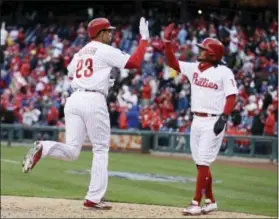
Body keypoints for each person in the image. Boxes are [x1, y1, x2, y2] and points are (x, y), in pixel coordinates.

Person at [22, 17, 150, 210]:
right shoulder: (105, 49)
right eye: (108, 31)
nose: (111, 34)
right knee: (100, 149)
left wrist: (100, 80)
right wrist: (144, 40)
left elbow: (71, 73)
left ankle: (44, 147)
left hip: (74, 99)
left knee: (73, 151)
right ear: (100, 33)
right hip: (93, 99)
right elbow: (134, 62)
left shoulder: (80, 51)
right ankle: (94, 198)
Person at [163, 23, 238, 215]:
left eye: (204, 50)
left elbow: (232, 96)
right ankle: (211, 201)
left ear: (213, 54)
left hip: (214, 120)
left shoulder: (224, 72)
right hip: (196, 120)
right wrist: (167, 42)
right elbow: (173, 63)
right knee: (200, 163)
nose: (200, 51)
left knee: (203, 161)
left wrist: (224, 117)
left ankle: (196, 203)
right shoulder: (194, 68)